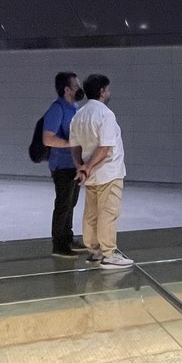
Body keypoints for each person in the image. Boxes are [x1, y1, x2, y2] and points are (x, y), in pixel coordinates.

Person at [70, 74, 134, 269]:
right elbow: (105, 147)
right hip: (108, 172)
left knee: (91, 213)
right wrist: (87, 167)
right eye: (107, 89)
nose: (109, 92)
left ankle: (94, 252)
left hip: (92, 176)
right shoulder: (105, 114)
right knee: (108, 211)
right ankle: (109, 253)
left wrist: (81, 167)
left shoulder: (79, 115)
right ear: (102, 91)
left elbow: (74, 146)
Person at [41, 72, 87, 257]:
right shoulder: (57, 109)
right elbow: (48, 139)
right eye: (75, 86)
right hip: (62, 165)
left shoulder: (74, 107)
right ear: (66, 89)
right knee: (63, 204)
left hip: (73, 164)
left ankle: (68, 238)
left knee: (71, 203)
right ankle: (58, 244)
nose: (78, 89)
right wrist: (71, 143)